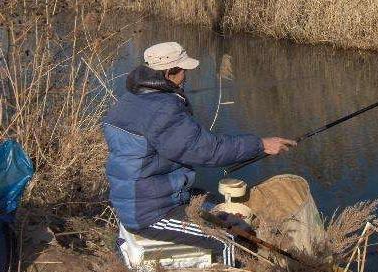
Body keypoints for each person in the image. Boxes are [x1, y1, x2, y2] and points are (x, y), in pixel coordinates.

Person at [102, 42, 295, 265]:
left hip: (143, 197)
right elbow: (208, 151)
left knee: (214, 203)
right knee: (229, 240)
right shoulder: (162, 111)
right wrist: (261, 144)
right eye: (183, 69)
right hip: (150, 213)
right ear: (168, 72)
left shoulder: (133, 98)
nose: (186, 75)